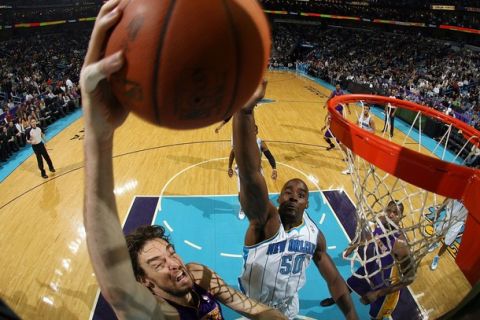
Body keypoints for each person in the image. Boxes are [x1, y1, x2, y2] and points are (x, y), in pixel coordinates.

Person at [81, 1, 287, 319]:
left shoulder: (199, 278)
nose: (173, 263)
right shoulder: (154, 312)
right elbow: (116, 287)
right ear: (144, 283)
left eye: (170, 253)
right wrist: (99, 137)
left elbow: (254, 309)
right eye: (157, 265)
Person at [233, 80, 358, 319]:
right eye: (288, 192)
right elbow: (249, 174)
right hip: (255, 310)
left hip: (289, 311)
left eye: (301, 195)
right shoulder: (265, 220)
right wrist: (245, 111)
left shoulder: (314, 235)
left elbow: (333, 279)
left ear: (307, 204)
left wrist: (352, 315)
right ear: (278, 198)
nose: (293, 196)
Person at [320, 201, 414, 320]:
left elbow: (409, 278)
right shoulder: (382, 222)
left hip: (386, 283)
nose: (390, 215)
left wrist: (378, 293)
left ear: (401, 217)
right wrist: (355, 245)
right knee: (349, 284)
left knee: (375, 315)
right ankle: (336, 298)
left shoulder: (401, 243)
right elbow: (372, 235)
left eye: (395, 213)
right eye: (389, 211)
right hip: (372, 267)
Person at [228, 125, 277, 219]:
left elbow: (269, 156)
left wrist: (274, 169)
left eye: (255, 131)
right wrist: (229, 167)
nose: (252, 132)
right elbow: (232, 153)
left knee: (261, 192)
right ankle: (243, 207)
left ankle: (262, 208)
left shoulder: (260, 143)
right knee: (241, 194)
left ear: (257, 132)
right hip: (242, 171)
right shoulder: (240, 142)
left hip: (257, 171)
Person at [429, 199, 468, 271]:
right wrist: (440, 209)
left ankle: (437, 257)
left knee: (447, 243)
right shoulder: (463, 190)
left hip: (458, 222)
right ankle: (435, 244)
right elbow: (449, 197)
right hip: (448, 215)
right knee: (439, 234)